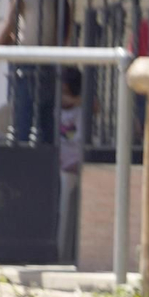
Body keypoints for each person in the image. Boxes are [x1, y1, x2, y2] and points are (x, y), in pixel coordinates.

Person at [0, 0, 69, 143]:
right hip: (51, 68)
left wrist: (11, 39)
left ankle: (20, 161)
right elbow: (60, 40)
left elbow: (2, 38)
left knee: (22, 126)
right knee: (46, 126)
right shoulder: (61, 0)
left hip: (26, 66)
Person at [56, 67, 83, 263]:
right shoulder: (53, 109)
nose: (62, 97)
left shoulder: (81, 111)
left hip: (72, 166)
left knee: (66, 209)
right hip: (55, 164)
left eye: (66, 92)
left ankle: (61, 253)